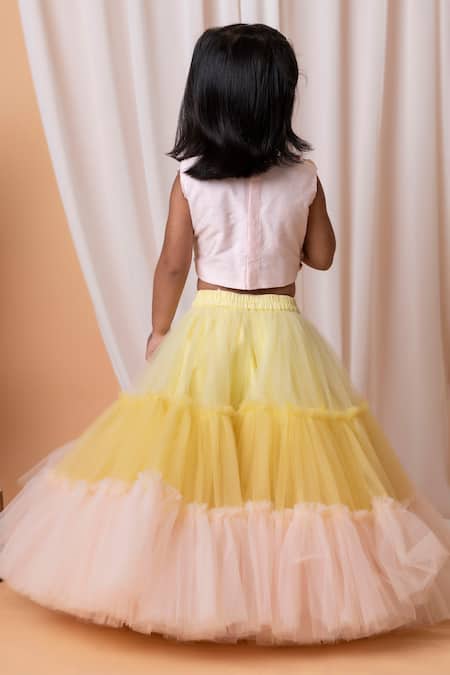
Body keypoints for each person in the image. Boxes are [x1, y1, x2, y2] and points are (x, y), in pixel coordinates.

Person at [1, 23, 450, 647]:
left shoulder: (191, 179)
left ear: (204, 100)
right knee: (283, 474)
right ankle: (276, 596)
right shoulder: (304, 178)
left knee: (201, 469)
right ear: (278, 102)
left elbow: (172, 264)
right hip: (281, 334)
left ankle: (200, 592)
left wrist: (160, 330)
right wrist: (296, 234)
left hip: (208, 331)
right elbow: (322, 256)